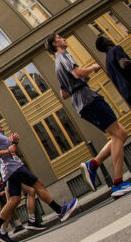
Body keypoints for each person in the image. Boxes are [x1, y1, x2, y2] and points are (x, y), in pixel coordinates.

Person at [46, 33, 131, 197]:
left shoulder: (56, 65)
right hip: (88, 99)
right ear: (55, 43)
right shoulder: (63, 56)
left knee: (119, 134)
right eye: (60, 37)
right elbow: (77, 73)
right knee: (119, 134)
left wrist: (78, 82)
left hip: (81, 104)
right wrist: (91, 68)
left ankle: (93, 165)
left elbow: (64, 93)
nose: (63, 38)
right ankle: (117, 183)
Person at [0, 111, 79, 242]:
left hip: (11, 169)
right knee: (37, 184)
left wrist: (14, 143)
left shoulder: (0, 134)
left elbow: (12, 151)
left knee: (14, 200)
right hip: (13, 168)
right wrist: (7, 151)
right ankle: (60, 211)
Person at [96, 35, 131, 106]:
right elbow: (124, 63)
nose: (109, 38)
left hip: (127, 93)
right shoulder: (116, 49)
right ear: (105, 43)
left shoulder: (107, 63)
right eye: (106, 38)